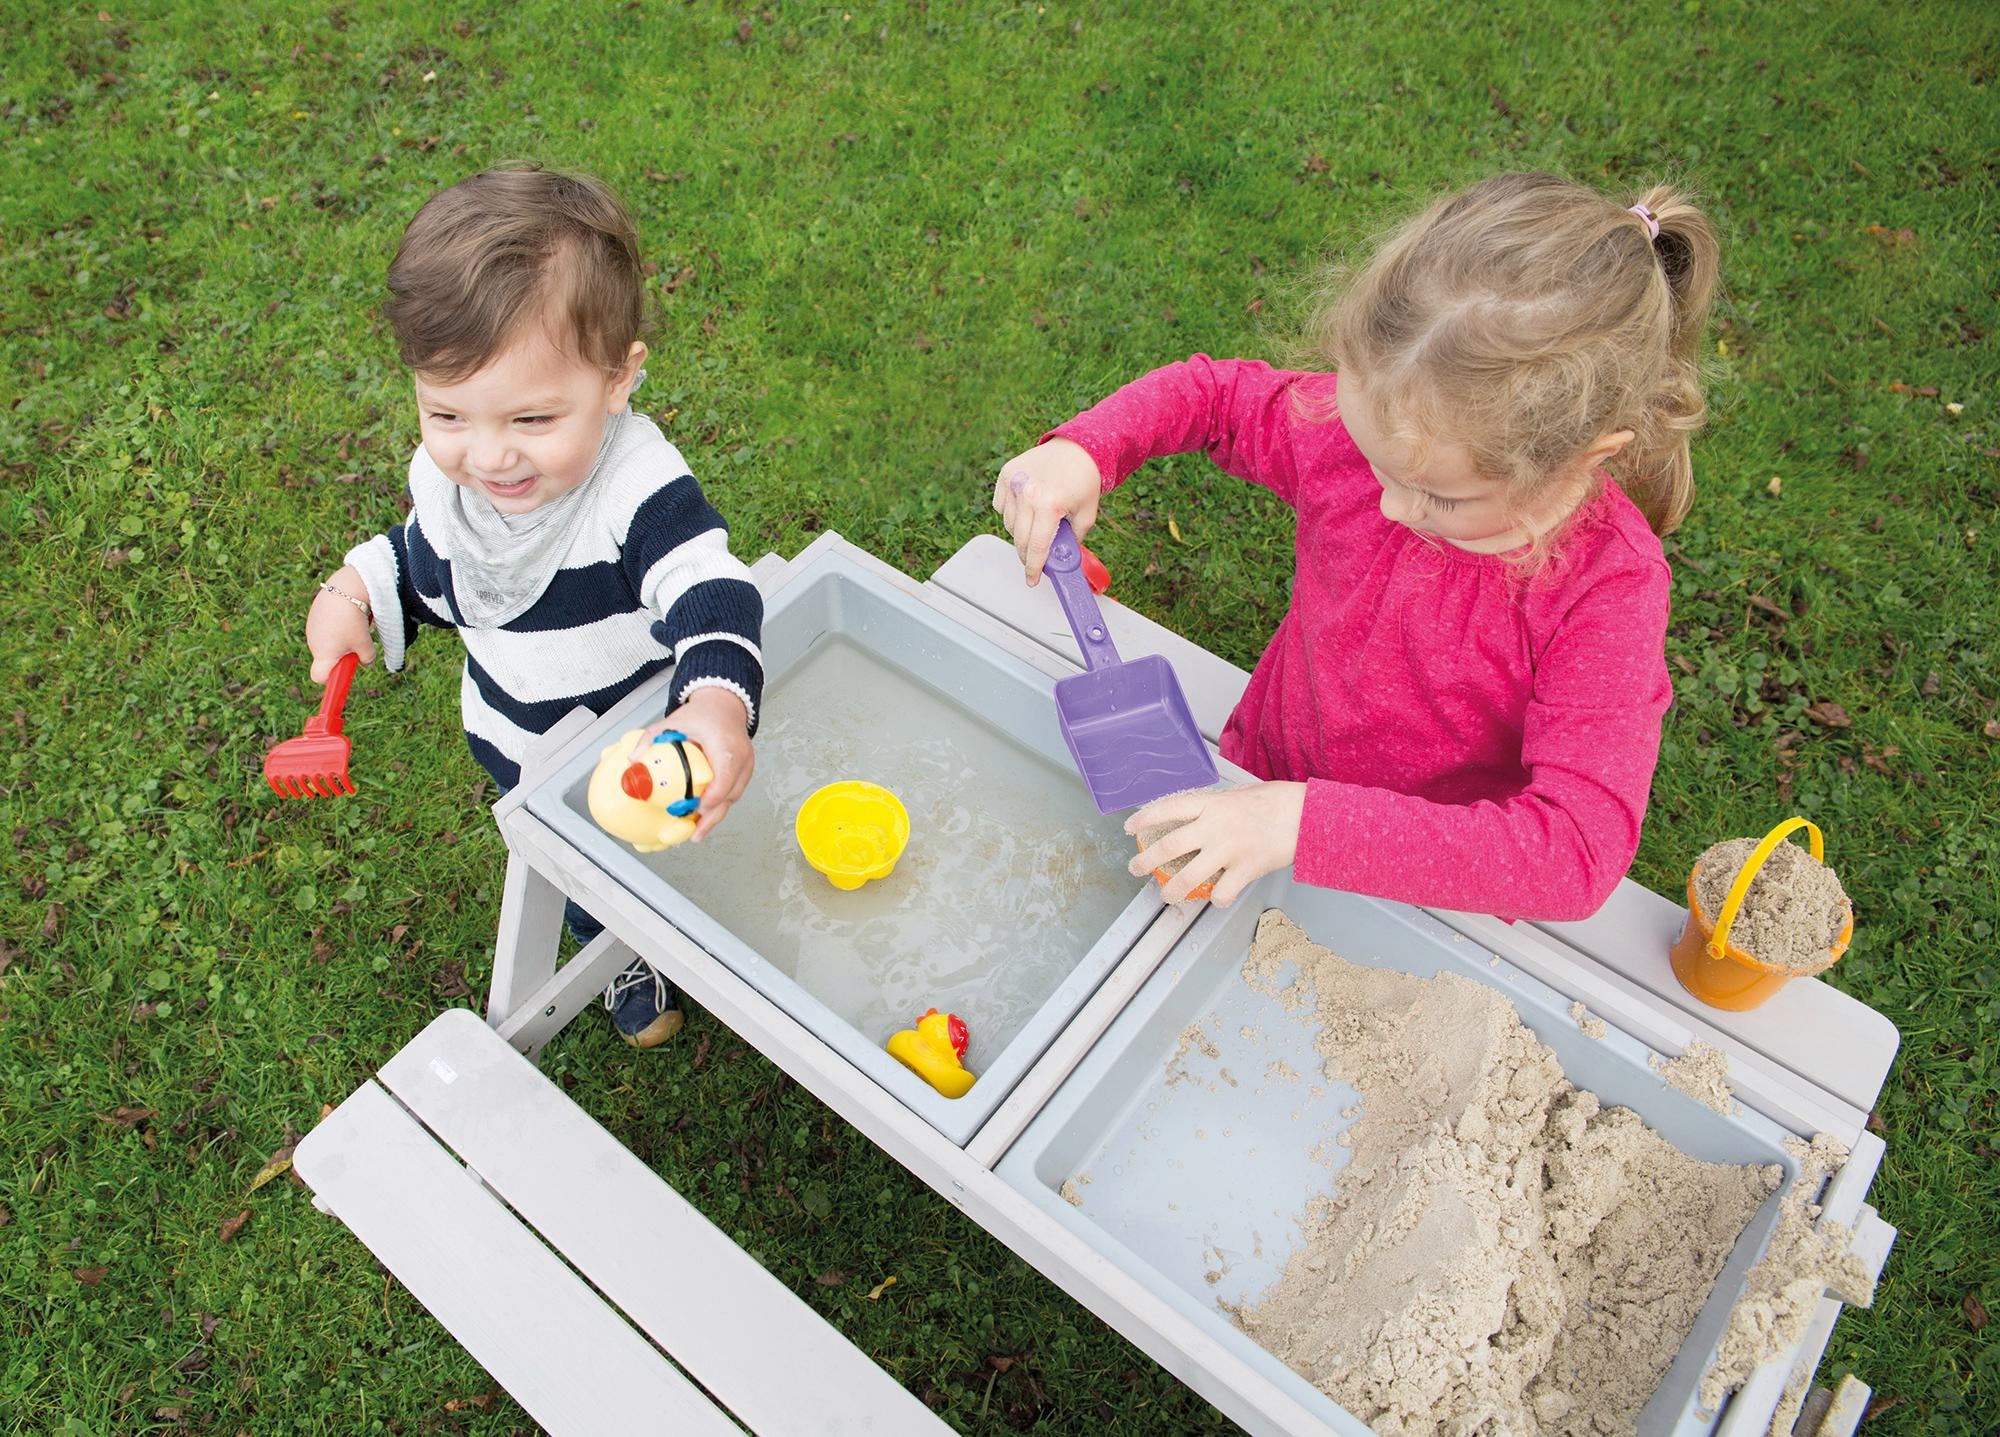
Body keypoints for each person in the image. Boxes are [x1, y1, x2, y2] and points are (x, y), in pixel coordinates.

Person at [994, 172, 1718, 922]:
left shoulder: (1605, 589)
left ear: (1584, 456)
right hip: (1256, 778)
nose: (1390, 505)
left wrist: (1304, 825)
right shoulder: (1384, 431)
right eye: (1376, 461)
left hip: (1420, 886)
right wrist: (1087, 449)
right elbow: (1212, 397)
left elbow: (1572, 850)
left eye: (1441, 497)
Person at [303, 165, 764, 1046]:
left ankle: (691, 914)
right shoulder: (459, 483)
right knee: (589, 869)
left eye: (533, 421)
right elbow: (431, 567)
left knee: (674, 843)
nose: (488, 458)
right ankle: (614, 944)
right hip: (521, 744)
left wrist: (711, 704)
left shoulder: (634, 491)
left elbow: (711, 589)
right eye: (447, 415)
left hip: (645, 741)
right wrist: (352, 591)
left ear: (619, 379)